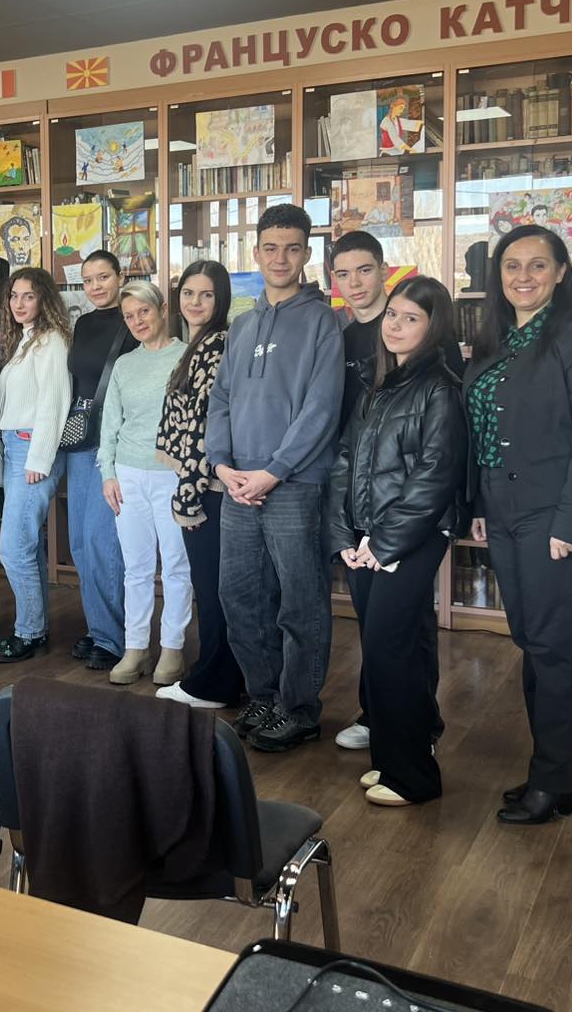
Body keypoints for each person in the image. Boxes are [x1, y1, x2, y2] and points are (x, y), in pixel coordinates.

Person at [464, 224, 572, 825]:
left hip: (552, 514)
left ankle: (552, 781)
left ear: (560, 274)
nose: (523, 276)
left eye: (537, 265)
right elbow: (480, 437)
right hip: (501, 510)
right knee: (530, 638)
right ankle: (555, 773)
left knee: (551, 647)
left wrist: (571, 522)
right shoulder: (494, 343)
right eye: (511, 266)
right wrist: (479, 507)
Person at [325, 275, 467, 808]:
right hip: (366, 537)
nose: (396, 326)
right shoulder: (378, 382)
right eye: (393, 315)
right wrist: (344, 534)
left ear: (434, 328)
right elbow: (345, 459)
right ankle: (389, 758)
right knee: (382, 648)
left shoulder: (440, 388)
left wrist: (383, 544)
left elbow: (434, 478)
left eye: (411, 319)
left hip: (409, 538)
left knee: (392, 648)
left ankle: (414, 777)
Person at [208, 204, 343, 753]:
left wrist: (274, 471)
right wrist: (222, 465)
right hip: (237, 485)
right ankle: (263, 695)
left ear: (307, 254)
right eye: (270, 248)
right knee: (239, 596)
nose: (280, 258)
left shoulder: (323, 322)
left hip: (294, 484)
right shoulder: (242, 325)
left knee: (299, 601)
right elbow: (220, 399)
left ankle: (300, 707)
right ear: (257, 252)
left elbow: (321, 408)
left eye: (292, 248)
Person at [154, 260, 244, 710]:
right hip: (201, 482)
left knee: (213, 592)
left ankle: (214, 684)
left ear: (220, 299)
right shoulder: (198, 344)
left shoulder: (217, 345)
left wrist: (188, 497)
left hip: (208, 488)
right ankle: (217, 675)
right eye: (188, 293)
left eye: (206, 294)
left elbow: (202, 429)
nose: (195, 302)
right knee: (212, 589)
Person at [98, 280, 191, 686]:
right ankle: (136, 647)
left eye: (144, 312)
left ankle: (172, 647)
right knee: (135, 567)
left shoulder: (186, 356)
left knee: (176, 565)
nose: (137, 321)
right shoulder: (124, 364)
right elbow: (110, 425)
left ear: (162, 310)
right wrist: (108, 473)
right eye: (129, 316)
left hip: (172, 475)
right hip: (128, 475)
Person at [0, 266, 72, 663]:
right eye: (14, 296)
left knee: (13, 547)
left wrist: (40, 457)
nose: (19, 304)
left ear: (44, 299)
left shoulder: (51, 340)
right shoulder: (24, 340)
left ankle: (28, 632)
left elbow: (54, 402)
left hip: (32, 449)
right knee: (26, 546)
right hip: (14, 446)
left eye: (28, 296)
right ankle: (35, 628)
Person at [62, 249, 138, 670]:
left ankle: (114, 638)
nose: (95, 286)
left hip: (115, 441)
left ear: (120, 276)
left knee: (103, 541)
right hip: (81, 438)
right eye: (88, 280)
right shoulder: (83, 323)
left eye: (103, 277)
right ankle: (98, 628)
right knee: (79, 542)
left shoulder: (132, 320)